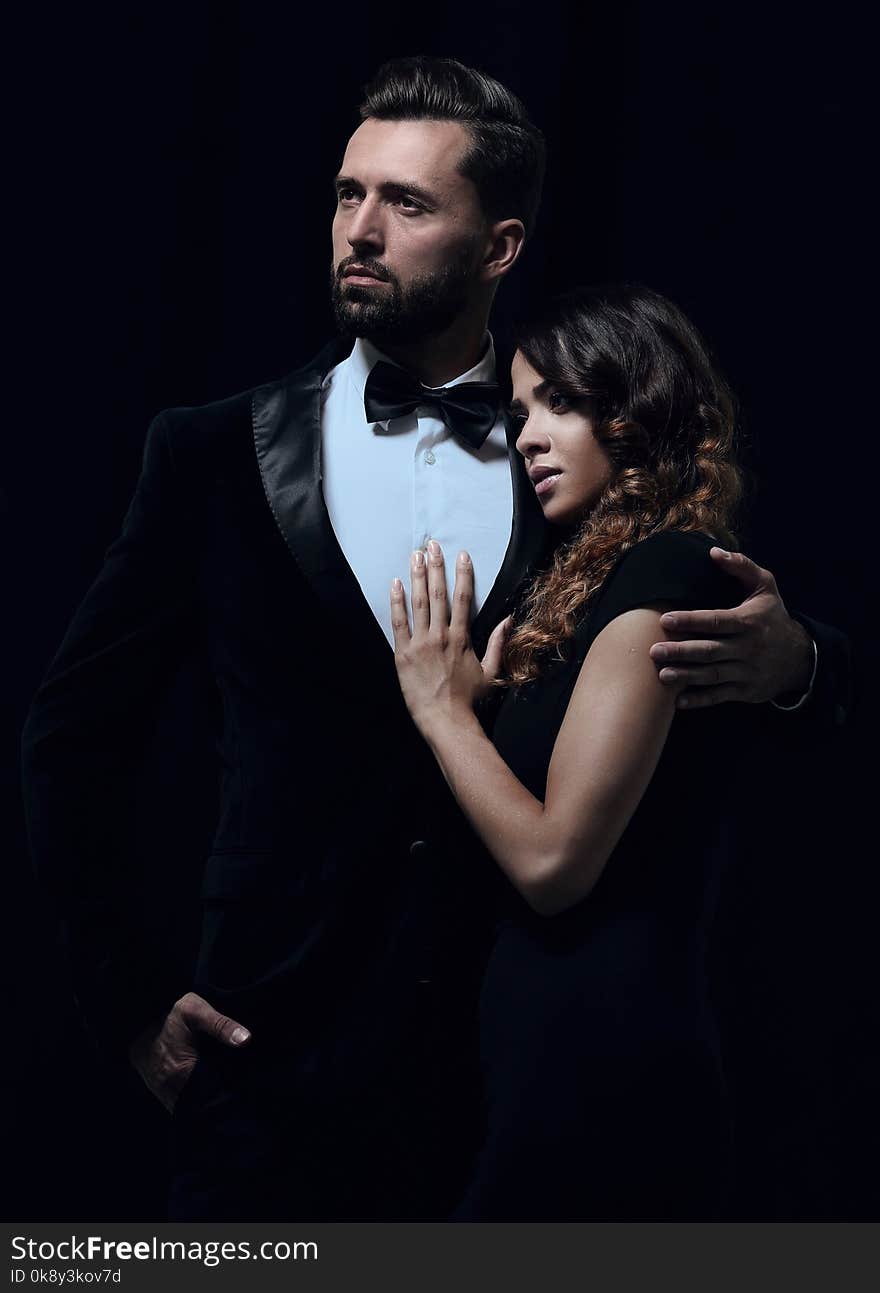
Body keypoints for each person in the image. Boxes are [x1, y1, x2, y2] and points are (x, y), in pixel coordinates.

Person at [20, 59, 849, 1222]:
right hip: (267, 1055)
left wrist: (799, 665)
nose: (360, 230)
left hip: (509, 1053)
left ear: (499, 245)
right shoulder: (205, 453)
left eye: (406, 204)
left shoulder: (575, 445)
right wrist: (127, 995)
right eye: (348, 195)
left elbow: (706, 606)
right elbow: (70, 739)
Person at [387, 283, 835, 1220]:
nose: (526, 437)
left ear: (632, 406)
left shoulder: (671, 570)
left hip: (601, 1068)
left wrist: (441, 711)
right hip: (538, 1059)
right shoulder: (577, 587)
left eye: (559, 401)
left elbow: (554, 863)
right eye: (517, 414)